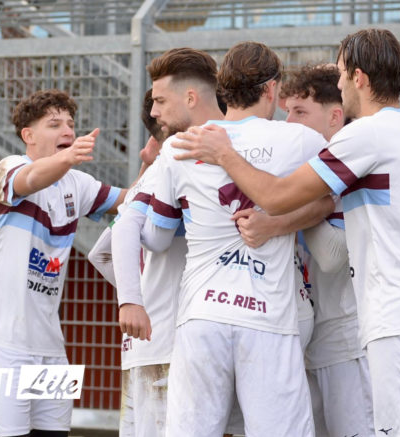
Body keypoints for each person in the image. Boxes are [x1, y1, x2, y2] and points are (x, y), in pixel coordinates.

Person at [172, 29, 400, 437]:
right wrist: (277, 224)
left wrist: (225, 154)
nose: (338, 84)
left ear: (359, 78)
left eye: (341, 74)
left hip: (397, 315)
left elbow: (277, 195)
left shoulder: (366, 133)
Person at [112, 41, 331, 437]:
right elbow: (328, 203)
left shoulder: (179, 146)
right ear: (271, 89)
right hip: (267, 317)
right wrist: (276, 224)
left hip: (202, 316)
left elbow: (155, 237)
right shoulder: (300, 140)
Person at [0, 89, 126, 437]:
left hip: (50, 346)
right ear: (29, 135)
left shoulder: (77, 183)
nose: (67, 130)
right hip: (0, 343)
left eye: (70, 123)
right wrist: (67, 158)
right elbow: (32, 179)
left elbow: (130, 201)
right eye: (54, 124)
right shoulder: (10, 167)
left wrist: (153, 164)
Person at [280, 63, 375, 437]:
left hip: (348, 340)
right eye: (287, 111)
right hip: (311, 339)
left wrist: (291, 209)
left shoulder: (353, 168)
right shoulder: (308, 171)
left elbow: (333, 255)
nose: (288, 122)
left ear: (335, 117)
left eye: (300, 112)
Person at [88, 88, 175, 437]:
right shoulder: (172, 172)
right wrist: (134, 298)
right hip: (169, 342)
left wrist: (137, 292)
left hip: (140, 345)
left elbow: (100, 253)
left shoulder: (147, 180)